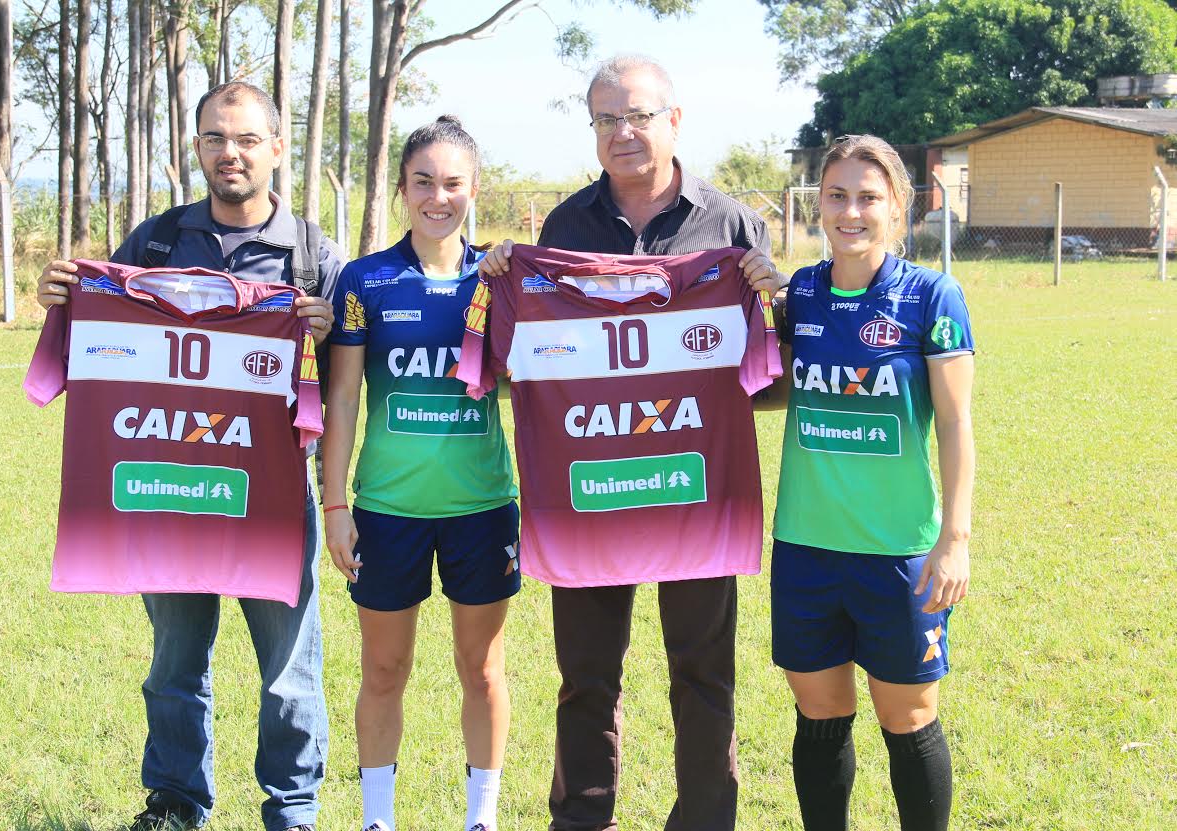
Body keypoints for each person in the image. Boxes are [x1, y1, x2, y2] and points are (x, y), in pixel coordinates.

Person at [479, 54, 786, 831]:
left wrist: (771, 301)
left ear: (674, 121)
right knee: (585, 674)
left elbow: (770, 383)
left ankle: (707, 819)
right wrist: (504, 279)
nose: (623, 132)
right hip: (590, 487)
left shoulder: (732, 226)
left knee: (703, 672)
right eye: (606, 119)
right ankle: (582, 818)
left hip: (697, 487)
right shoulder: (564, 227)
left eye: (638, 116)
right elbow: (530, 373)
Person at [35, 81, 342, 831]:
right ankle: (175, 801)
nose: (228, 152)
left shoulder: (313, 257)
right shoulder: (157, 242)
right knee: (175, 663)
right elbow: (103, 342)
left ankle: (293, 811)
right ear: (196, 147)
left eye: (244, 138)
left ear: (276, 146)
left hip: (270, 499)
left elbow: (344, 388)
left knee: (290, 675)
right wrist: (61, 298)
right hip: (167, 489)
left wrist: (327, 333)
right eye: (213, 137)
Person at [768, 134, 974, 831]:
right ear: (818, 204)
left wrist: (955, 539)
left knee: (908, 717)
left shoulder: (931, 295)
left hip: (899, 552)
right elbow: (779, 388)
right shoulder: (799, 291)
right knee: (820, 714)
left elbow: (954, 423)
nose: (850, 210)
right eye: (837, 195)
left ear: (898, 209)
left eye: (868, 197)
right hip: (806, 546)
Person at [321, 116, 520, 831]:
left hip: (483, 507)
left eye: (454, 182)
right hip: (387, 510)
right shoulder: (365, 279)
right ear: (403, 188)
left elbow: (545, 381)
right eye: (424, 181)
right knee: (383, 670)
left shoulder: (501, 278)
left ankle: (482, 819)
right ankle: (378, 820)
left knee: (483, 669)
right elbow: (342, 397)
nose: (439, 196)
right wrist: (334, 504)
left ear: (474, 188)